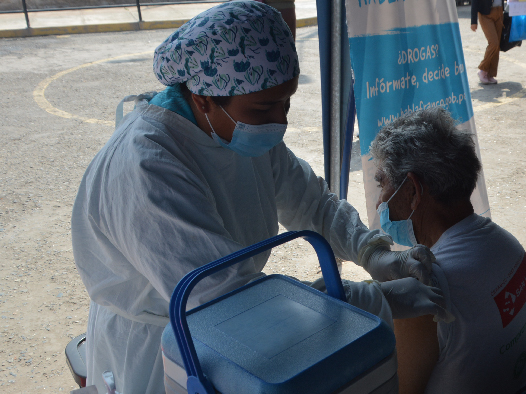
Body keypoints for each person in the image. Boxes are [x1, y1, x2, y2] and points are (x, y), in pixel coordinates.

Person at [71, 2, 440, 393]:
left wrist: (374, 253)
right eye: (265, 107)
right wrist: (370, 302)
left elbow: (313, 204)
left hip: (224, 331)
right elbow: (234, 307)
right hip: (161, 348)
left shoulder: (239, 135)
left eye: (287, 102)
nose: (280, 121)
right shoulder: (147, 169)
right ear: (203, 99)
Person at [370, 107, 526, 394]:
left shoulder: (422, 294)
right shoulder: (508, 246)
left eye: (382, 183)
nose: (379, 203)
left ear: (413, 190)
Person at [471, 0, 504, 85]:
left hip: (499, 12)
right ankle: (483, 69)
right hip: (485, 14)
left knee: (497, 45)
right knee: (494, 43)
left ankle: (490, 74)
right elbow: (474, 2)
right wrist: (473, 21)